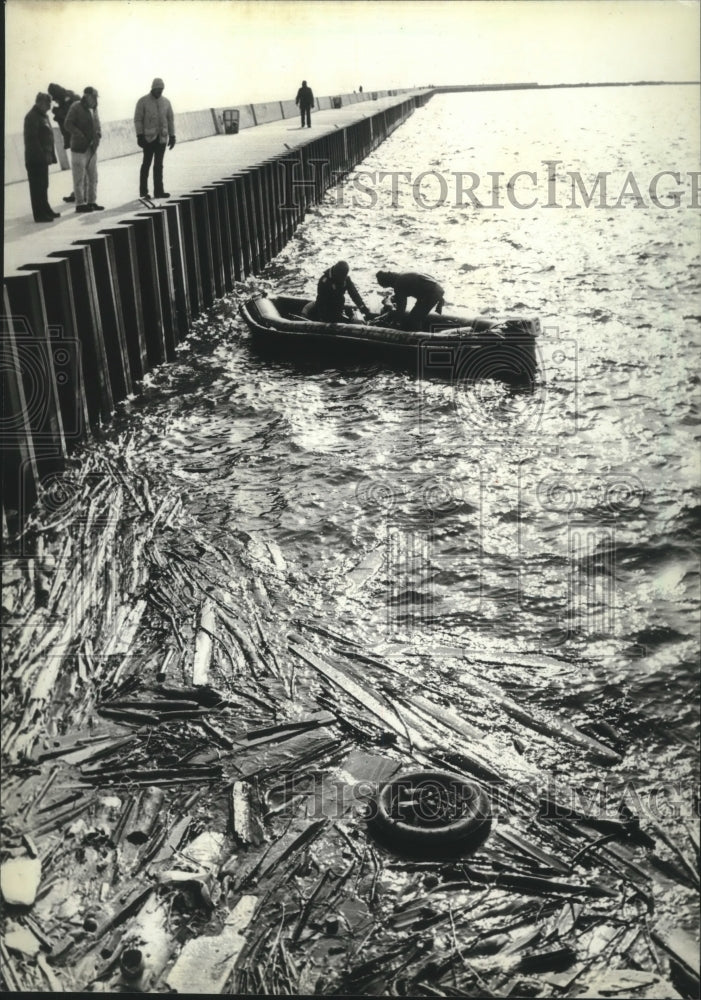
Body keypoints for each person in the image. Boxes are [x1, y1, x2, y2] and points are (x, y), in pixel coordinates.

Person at [134, 77, 176, 200]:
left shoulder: (166, 102)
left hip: (162, 139)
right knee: (146, 164)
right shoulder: (143, 101)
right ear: (153, 88)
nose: (160, 92)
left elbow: (170, 120)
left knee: (159, 165)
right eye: (158, 89)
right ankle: (143, 191)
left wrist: (172, 136)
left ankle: (159, 191)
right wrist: (139, 135)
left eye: (161, 89)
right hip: (148, 139)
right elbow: (138, 119)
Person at [64, 86, 103, 212]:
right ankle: (80, 204)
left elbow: (97, 123)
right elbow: (67, 124)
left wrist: (98, 133)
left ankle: (92, 202)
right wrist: (79, 134)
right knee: (79, 178)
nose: (96, 100)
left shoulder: (94, 109)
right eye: (94, 97)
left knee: (93, 177)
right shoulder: (76, 107)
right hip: (79, 149)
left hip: (92, 148)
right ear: (87, 96)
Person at [23, 92, 59, 222]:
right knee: (37, 187)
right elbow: (32, 140)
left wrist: (49, 156)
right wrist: (42, 157)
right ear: (40, 102)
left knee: (44, 185)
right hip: (35, 159)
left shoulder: (43, 116)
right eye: (47, 103)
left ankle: (46, 209)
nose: (49, 107)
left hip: (43, 159)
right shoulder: (31, 117)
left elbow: (47, 136)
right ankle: (39, 215)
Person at [375, 270, 445, 330]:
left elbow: (401, 309)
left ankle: (417, 338)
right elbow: (407, 291)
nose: (391, 287)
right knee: (415, 315)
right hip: (434, 290)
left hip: (431, 294)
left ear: (388, 282)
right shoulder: (402, 276)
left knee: (414, 319)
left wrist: (395, 322)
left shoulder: (399, 283)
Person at [303, 261, 371, 323]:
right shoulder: (325, 281)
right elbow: (321, 302)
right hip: (326, 312)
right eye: (341, 278)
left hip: (338, 310)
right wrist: (323, 320)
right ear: (336, 274)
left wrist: (364, 310)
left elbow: (354, 295)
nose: (342, 280)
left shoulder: (345, 279)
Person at [47, 83, 78, 202]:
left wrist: (57, 113)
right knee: (79, 167)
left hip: (77, 139)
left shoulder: (71, 100)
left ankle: (80, 193)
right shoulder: (69, 98)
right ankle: (79, 192)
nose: (54, 100)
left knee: (79, 167)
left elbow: (70, 119)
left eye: (54, 97)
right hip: (74, 138)